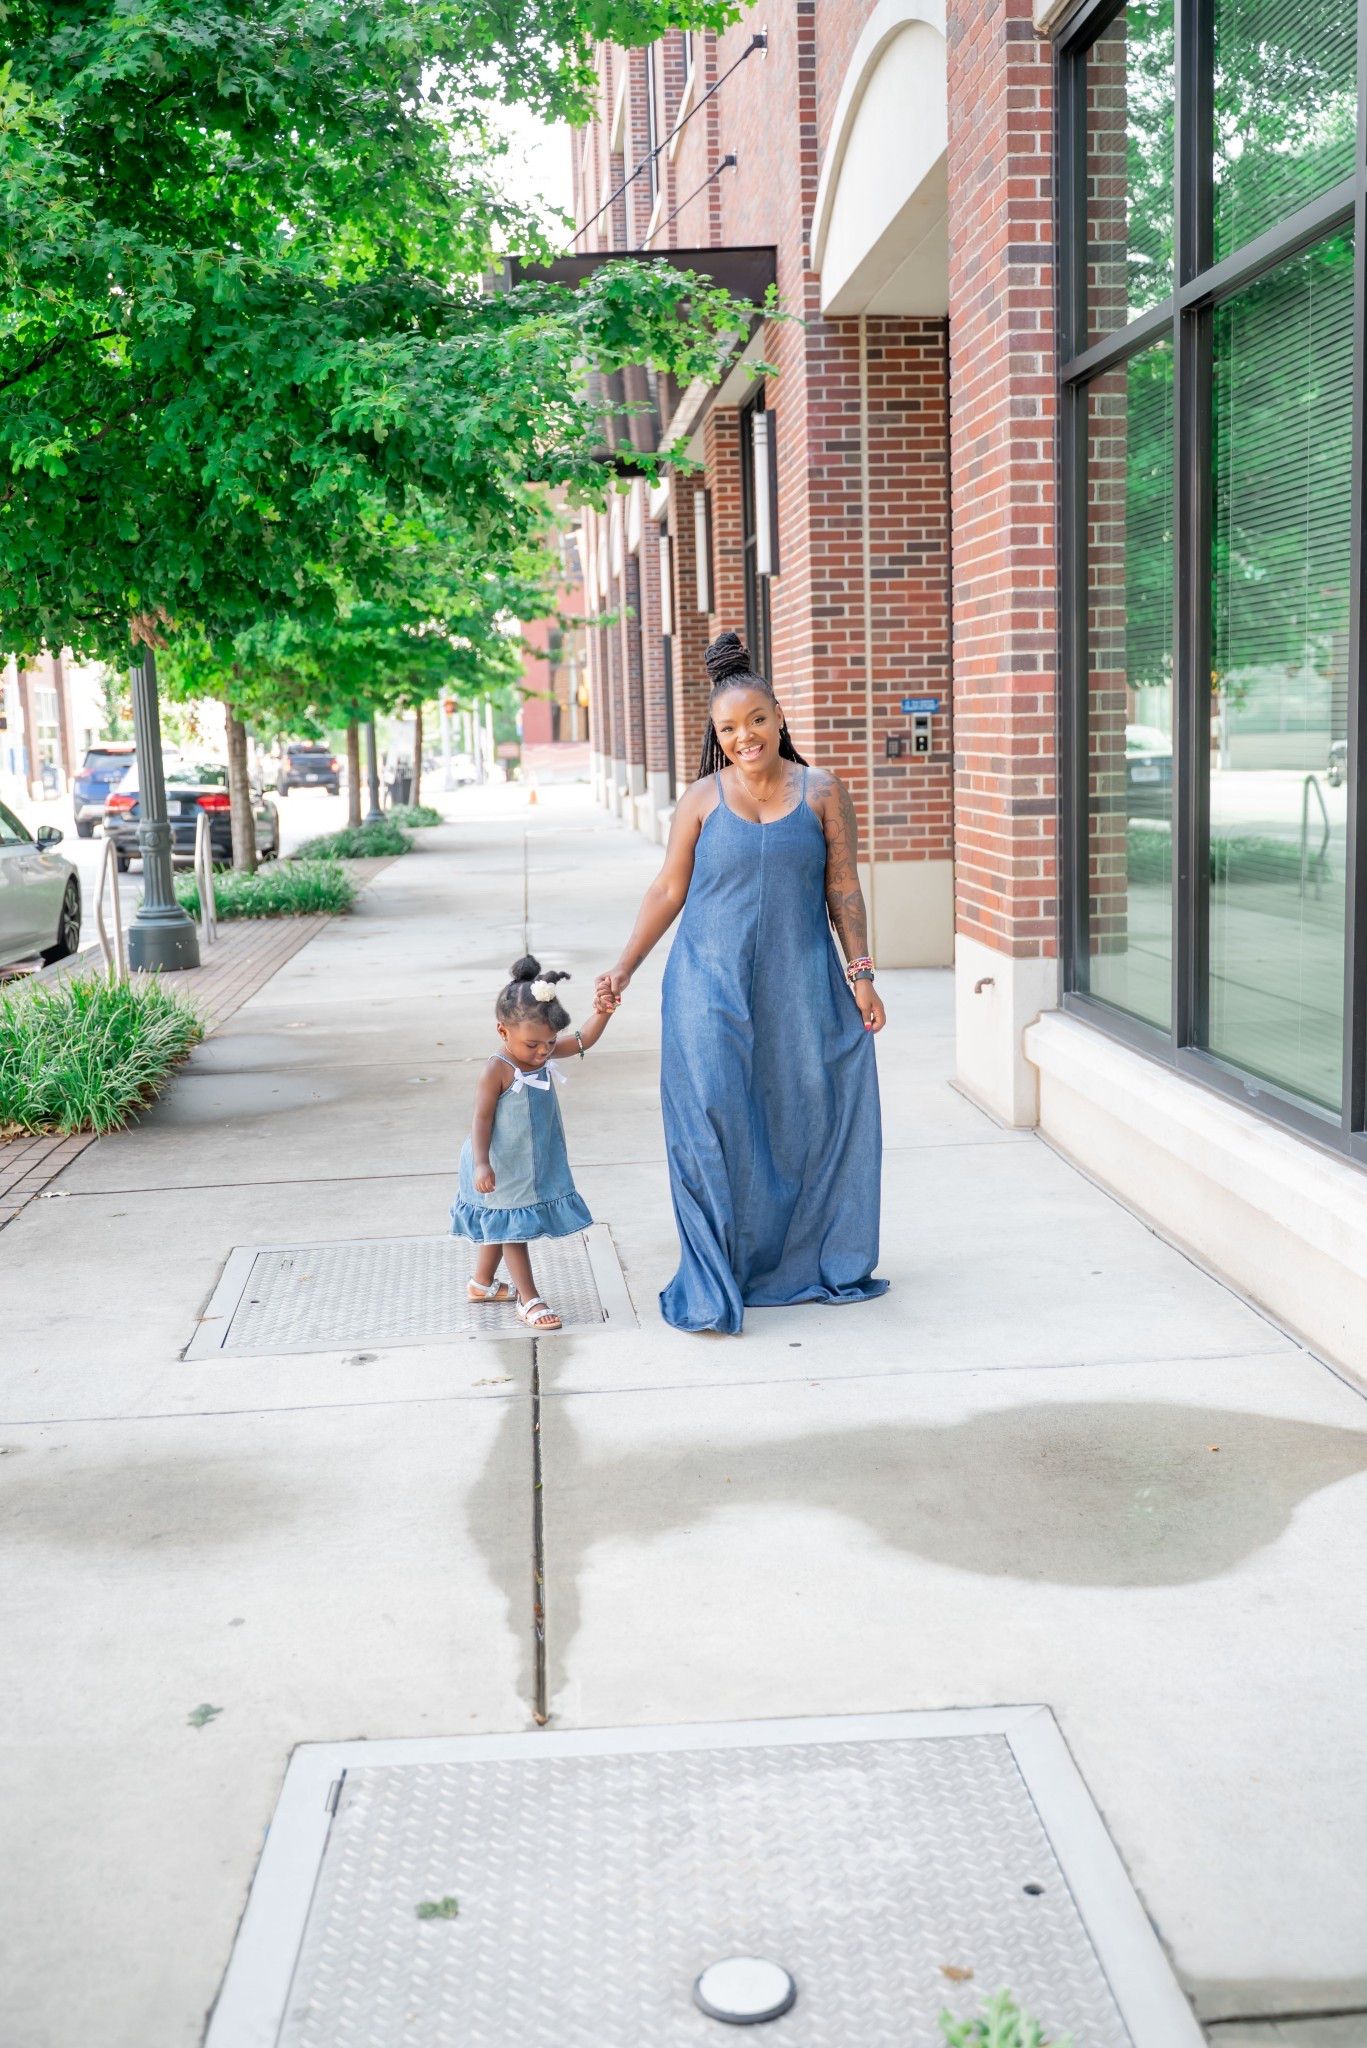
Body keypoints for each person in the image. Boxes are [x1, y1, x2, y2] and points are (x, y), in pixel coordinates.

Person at [596, 631, 889, 1334]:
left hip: (798, 982)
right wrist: (624, 965)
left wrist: (861, 975)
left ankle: (801, 1258)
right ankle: (710, 1277)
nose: (744, 736)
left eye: (755, 720)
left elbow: (842, 887)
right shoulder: (700, 799)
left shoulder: (820, 792)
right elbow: (668, 889)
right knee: (709, 1120)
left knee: (805, 1116)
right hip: (705, 982)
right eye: (728, 728)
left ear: (779, 717)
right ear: (717, 736)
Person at [450, 955, 614, 1331]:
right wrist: (481, 1163)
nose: (543, 1052)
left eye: (549, 1043)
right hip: (497, 1162)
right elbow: (481, 1118)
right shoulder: (498, 1069)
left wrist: (604, 1011)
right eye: (532, 1045)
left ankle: (481, 1284)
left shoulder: (544, 1050)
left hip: (528, 1162)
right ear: (503, 1032)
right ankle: (529, 1299)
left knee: (502, 1223)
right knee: (512, 1229)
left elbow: (585, 1038)